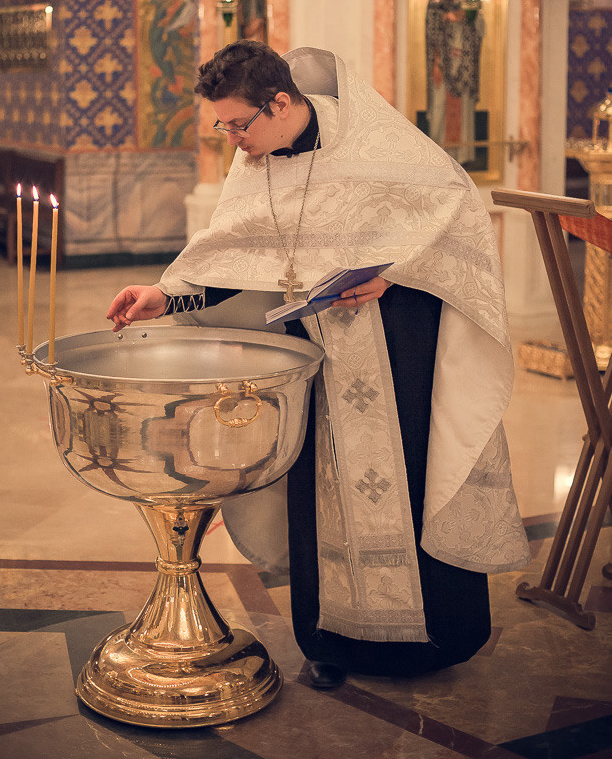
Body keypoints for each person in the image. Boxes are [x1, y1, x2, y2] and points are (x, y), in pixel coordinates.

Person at [107, 41, 529, 689]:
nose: (234, 140)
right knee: (320, 488)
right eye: (223, 126)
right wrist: (163, 295)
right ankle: (332, 636)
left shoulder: (377, 146)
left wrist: (392, 274)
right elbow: (229, 260)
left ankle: (435, 635)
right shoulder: (256, 164)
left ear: (281, 103)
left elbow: (455, 221)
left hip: (398, 356)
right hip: (315, 365)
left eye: (239, 123)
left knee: (409, 483)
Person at [425, 0, 484, 165]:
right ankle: (440, 156)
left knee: (464, 103)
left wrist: (469, 13)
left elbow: (474, 7)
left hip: (465, 52)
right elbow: (431, 13)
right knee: (442, 101)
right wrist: (447, 16)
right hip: (444, 53)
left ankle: (464, 154)